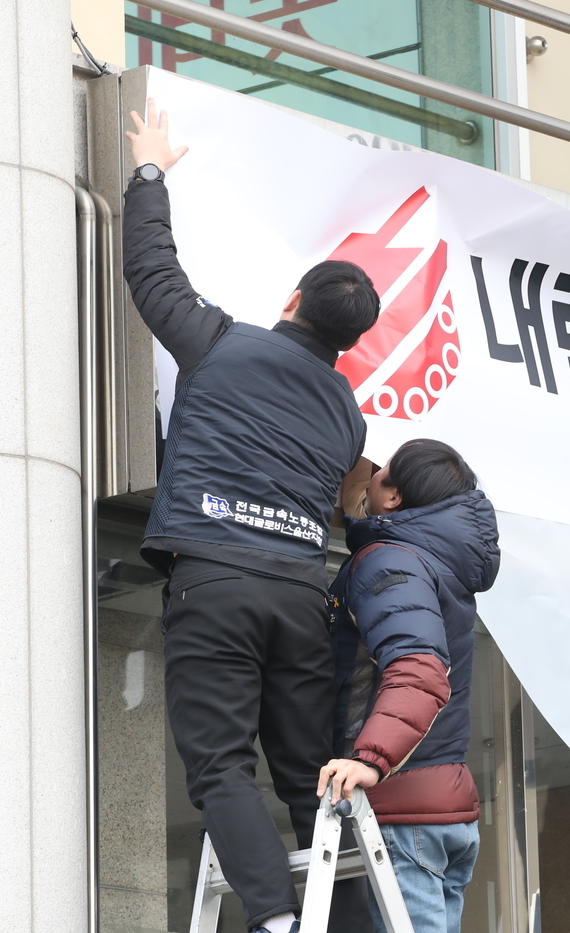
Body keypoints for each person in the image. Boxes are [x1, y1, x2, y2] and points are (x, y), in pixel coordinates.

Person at [123, 99, 380, 933]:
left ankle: (274, 920)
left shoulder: (224, 345)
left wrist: (150, 170)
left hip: (219, 581)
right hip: (302, 595)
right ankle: (338, 920)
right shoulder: (350, 413)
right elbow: (343, 498)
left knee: (223, 766)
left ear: (294, 297)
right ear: (351, 339)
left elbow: (154, 276)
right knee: (312, 768)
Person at [317, 439, 500, 933]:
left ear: (394, 498)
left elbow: (418, 671)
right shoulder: (438, 562)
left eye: (379, 472)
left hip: (405, 815)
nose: (368, 475)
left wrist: (370, 759)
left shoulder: (389, 561)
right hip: (442, 808)